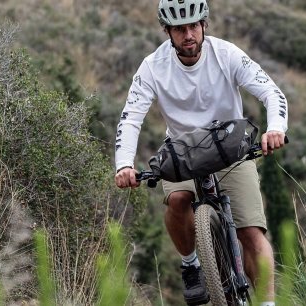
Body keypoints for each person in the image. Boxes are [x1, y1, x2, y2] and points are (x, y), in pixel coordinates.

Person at [112, 0, 288, 305]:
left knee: (251, 233)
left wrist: (275, 127)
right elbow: (131, 117)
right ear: (168, 32)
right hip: (182, 152)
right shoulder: (153, 66)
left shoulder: (227, 54)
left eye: (193, 26)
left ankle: (268, 302)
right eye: (180, 29)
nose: (188, 34)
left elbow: (271, 92)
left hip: (230, 150)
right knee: (178, 199)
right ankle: (191, 263)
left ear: (204, 25)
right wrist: (124, 164)